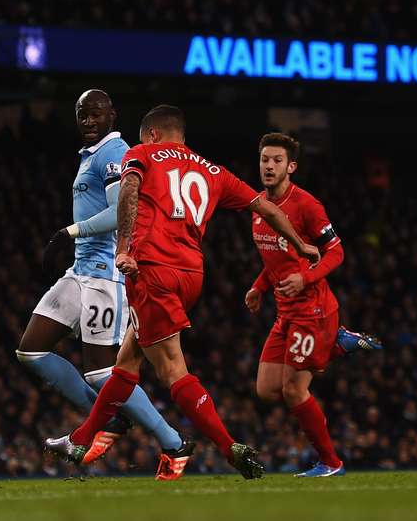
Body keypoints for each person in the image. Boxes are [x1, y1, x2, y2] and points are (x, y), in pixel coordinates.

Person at [46, 105, 320, 480]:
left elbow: (128, 190)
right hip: (191, 274)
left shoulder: (140, 154)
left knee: (173, 369)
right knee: (126, 363)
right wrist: (300, 245)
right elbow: (266, 207)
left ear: (152, 135)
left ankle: (228, 446)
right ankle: (79, 440)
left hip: (152, 270)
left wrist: (123, 247)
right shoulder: (213, 170)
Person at [17, 90, 187, 468]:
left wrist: (70, 232)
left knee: (101, 373)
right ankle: (107, 417)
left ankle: (173, 443)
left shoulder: (114, 153)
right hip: (79, 272)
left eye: (95, 113)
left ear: (112, 115)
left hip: (106, 277)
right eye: (82, 114)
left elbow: (122, 210)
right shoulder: (92, 156)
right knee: (31, 350)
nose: (88, 120)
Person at [245, 133, 382, 478]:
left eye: (277, 160)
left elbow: (336, 252)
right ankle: (336, 344)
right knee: (265, 390)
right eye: (265, 160)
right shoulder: (259, 205)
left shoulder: (306, 205)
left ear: (291, 167)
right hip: (284, 311)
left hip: (313, 310)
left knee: (294, 390)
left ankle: (330, 463)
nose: (269, 166)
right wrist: (259, 286)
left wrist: (305, 279)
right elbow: (276, 256)